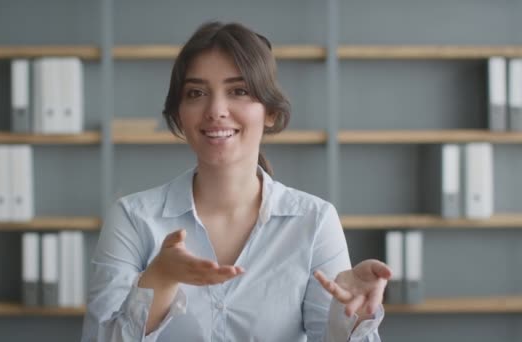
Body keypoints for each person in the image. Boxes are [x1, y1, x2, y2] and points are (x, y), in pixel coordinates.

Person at [81, 21, 391, 342]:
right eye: (196, 93)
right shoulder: (132, 219)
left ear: (269, 112)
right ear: (178, 115)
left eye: (238, 91)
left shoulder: (314, 220)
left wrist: (355, 318)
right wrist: (159, 279)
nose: (216, 110)